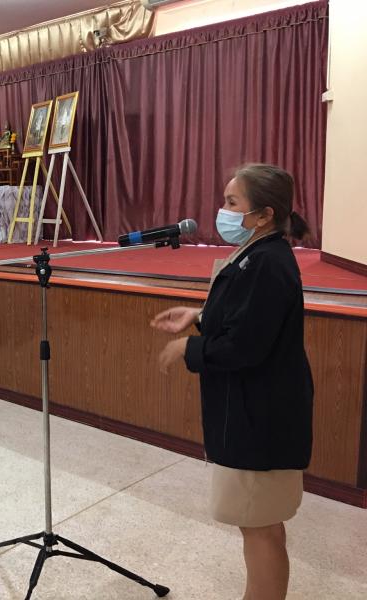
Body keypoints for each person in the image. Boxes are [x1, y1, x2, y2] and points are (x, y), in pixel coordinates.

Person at [151, 163, 313, 600]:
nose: (222, 210)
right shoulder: (258, 253)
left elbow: (246, 345)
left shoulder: (268, 262)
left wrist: (189, 348)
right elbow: (247, 315)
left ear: (263, 215)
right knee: (259, 522)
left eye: (232, 202)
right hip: (255, 411)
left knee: (259, 527)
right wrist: (199, 316)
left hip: (260, 418)